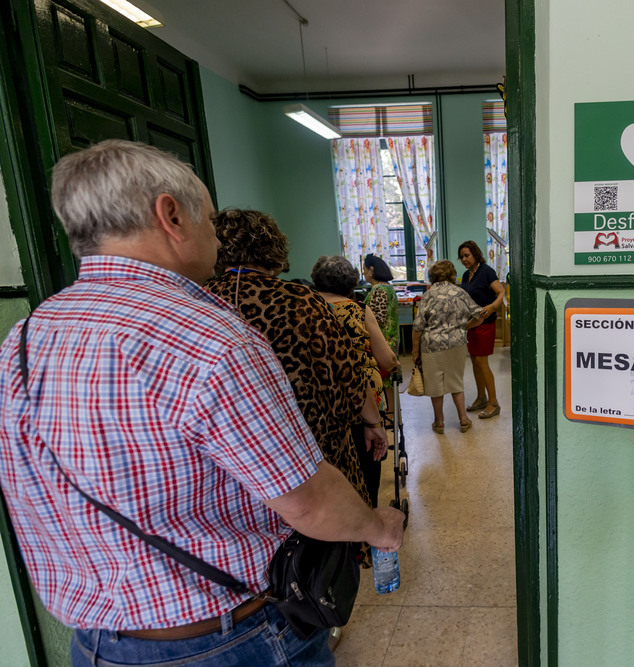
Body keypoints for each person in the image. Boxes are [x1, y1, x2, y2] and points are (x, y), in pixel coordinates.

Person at [0, 140, 404, 667]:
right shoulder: (207, 338)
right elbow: (308, 500)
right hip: (224, 639)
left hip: (96, 643)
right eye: (211, 221)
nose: (218, 238)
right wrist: (378, 526)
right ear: (170, 215)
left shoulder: (26, 339)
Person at [204, 209, 388, 512]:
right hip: (310, 447)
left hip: (233, 456)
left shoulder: (200, 300)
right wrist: (373, 422)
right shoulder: (299, 300)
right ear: (272, 247)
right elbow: (347, 373)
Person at [310, 254, 398, 507]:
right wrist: (393, 361)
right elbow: (385, 359)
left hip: (319, 403)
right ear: (351, 282)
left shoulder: (304, 307)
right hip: (360, 401)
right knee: (365, 460)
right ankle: (366, 513)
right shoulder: (358, 309)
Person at [412, 260, 484, 433]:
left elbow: (417, 327)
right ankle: (464, 420)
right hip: (456, 344)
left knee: (435, 385)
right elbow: (480, 316)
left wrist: (415, 352)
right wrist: (463, 327)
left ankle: (439, 423)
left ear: (432, 276)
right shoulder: (460, 292)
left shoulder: (429, 295)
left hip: (432, 345)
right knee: (455, 382)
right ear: (452, 274)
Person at [458, 240, 505, 419]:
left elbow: (500, 292)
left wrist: (492, 306)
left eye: (467, 255)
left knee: (482, 362)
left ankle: (494, 402)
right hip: (471, 324)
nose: (464, 259)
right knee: (475, 362)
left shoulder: (486, 271)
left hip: (485, 323)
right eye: (462, 256)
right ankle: (481, 397)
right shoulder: (465, 275)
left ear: (476, 254)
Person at [362, 254, 400, 419]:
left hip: (382, 341)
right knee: (389, 381)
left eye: (364, 269)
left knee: (386, 382)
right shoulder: (387, 288)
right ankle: (393, 413)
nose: (363, 274)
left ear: (371, 270)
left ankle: (390, 415)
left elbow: (376, 319)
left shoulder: (379, 290)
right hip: (389, 339)